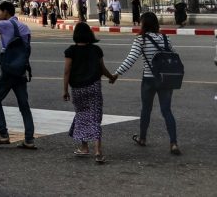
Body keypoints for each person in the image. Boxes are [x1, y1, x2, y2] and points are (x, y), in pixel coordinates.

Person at [112, 11, 180, 154]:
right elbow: (173, 56)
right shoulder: (165, 38)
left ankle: (142, 138)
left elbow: (131, 58)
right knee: (167, 110)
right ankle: (173, 143)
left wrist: (117, 73)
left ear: (144, 24)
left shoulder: (141, 39)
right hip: (165, 80)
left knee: (146, 110)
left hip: (149, 79)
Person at [0, 1, 36, 149]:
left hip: (8, 70)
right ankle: (29, 139)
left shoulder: (5, 24)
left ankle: (4, 134)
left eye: (0, 11)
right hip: (21, 69)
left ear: (5, 12)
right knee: (24, 105)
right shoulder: (24, 27)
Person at [64, 22, 117, 164]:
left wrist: (65, 90)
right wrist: (112, 77)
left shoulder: (70, 51)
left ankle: (84, 146)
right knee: (94, 118)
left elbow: (67, 71)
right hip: (94, 87)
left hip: (77, 89)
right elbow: (102, 69)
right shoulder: (96, 50)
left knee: (81, 115)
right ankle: (98, 151)